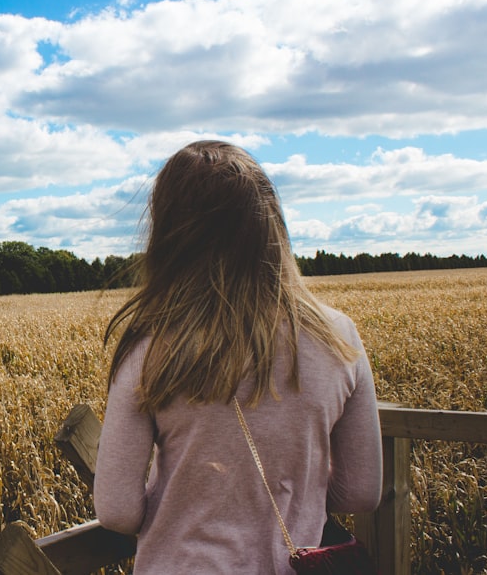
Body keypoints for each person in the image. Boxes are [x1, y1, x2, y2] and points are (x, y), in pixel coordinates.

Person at [94, 140, 383, 574]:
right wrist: (292, 492)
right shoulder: (338, 336)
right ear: (270, 224)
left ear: (171, 232)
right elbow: (361, 491)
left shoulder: (149, 347)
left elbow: (117, 510)